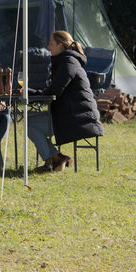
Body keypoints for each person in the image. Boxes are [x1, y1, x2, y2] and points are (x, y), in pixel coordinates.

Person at [27, 30, 103, 172]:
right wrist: (32, 94)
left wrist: (29, 93)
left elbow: (54, 92)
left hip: (76, 117)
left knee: (29, 124)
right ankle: (56, 158)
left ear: (60, 45)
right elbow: (54, 90)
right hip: (73, 113)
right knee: (29, 122)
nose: (48, 47)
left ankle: (53, 160)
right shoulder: (66, 61)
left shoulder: (68, 62)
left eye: (51, 44)